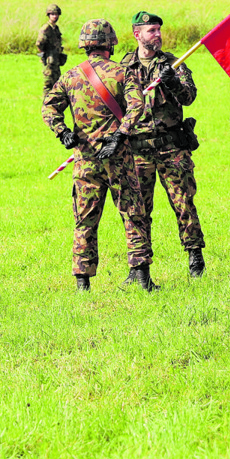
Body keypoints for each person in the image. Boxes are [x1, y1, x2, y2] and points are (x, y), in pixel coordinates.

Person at [42, 18, 156, 291]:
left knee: (85, 219)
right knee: (133, 214)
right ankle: (141, 278)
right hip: (118, 157)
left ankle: (82, 284)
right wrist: (120, 135)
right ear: (110, 44)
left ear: (84, 45)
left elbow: (48, 109)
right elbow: (137, 106)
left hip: (85, 160)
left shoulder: (69, 76)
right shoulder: (123, 73)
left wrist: (64, 133)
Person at [120, 11, 205, 277]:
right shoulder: (123, 68)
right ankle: (139, 267)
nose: (157, 35)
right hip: (138, 150)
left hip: (171, 147)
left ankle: (195, 257)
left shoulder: (173, 63)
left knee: (184, 204)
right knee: (138, 210)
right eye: (151, 30)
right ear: (137, 34)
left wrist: (174, 83)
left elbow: (189, 96)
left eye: (159, 30)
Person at [37, 4, 66, 97]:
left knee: (57, 83)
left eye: (56, 14)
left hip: (56, 59)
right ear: (48, 15)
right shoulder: (46, 28)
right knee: (48, 84)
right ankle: (46, 104)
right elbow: (39, 43)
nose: (55, 16)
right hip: (49, 60)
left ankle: (54, 103)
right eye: (52, 14)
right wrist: (43, 55)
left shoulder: (55, 28)